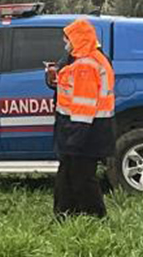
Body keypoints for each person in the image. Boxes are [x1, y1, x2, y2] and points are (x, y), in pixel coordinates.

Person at [48, 18, 115, 219]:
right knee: (69, 175)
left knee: (81, 178)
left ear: (77, 39)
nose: (65, 44)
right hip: (82, 128)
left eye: (67, 40)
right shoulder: (84, 58)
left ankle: (95, 216)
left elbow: (84, 106)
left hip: (84, 130)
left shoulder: (85, 64)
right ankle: (65, 214)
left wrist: (74, 139)